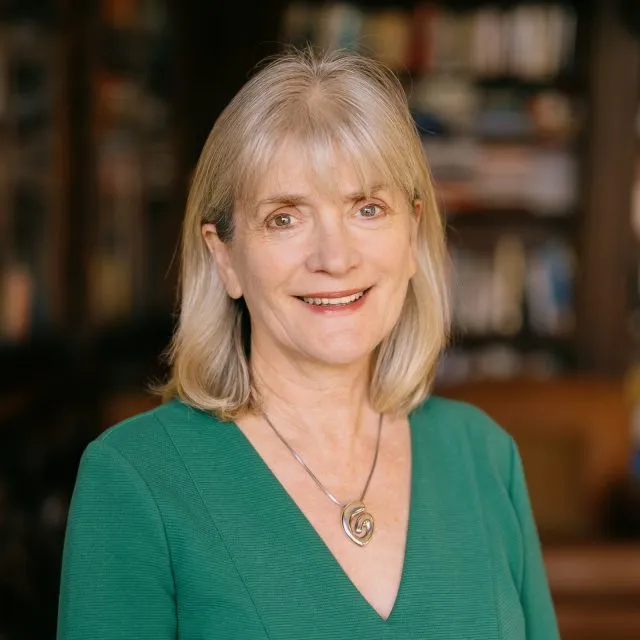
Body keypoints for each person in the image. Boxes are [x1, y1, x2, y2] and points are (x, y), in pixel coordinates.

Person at [57, 48, 560, 639]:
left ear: (413, 236)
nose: (335, 258)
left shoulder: (484, 456)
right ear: (225, 260)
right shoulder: (135, 478)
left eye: (367, 209)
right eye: (285, 218)